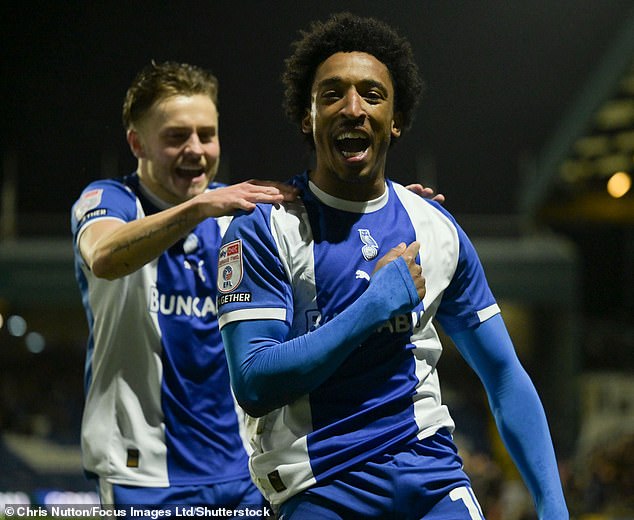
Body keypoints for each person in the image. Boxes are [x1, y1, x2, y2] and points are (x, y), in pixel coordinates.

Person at [217, 12, 569, 520]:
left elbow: (504, 374)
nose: (352, 108)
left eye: (372, 95)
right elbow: (253, 383)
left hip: (431, 476)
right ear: (307, 117)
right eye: (332, 95)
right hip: (319, 486)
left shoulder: (435, 227)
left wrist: (554, 508)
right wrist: (375, 305)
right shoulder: (265, 227)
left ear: (396, 120)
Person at [70, 61, 299, 510]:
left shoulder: (235, 214)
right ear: (137, 143)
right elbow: (103, 255)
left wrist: (384, 204)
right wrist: (200, 208)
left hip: (242, 471)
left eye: (206, 135)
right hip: (143, 475)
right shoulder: (111, 200)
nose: (195, 149)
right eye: (176, 136)